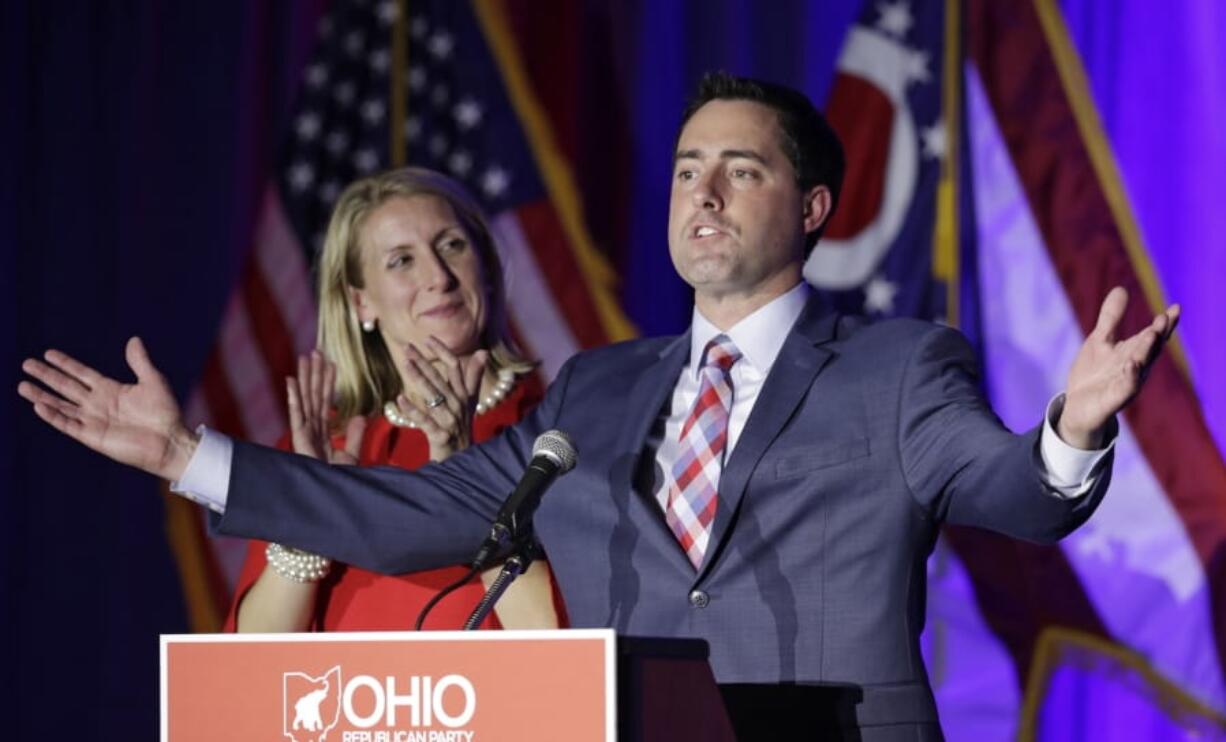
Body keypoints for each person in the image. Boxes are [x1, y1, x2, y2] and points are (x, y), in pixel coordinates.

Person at [19, 73, 1179, 740]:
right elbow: (418, 507)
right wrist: (189, 453)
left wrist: (1071, 429)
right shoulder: (598, 388)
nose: (702, 191)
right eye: (683, 168)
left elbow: (1016, 496)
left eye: (741, 169)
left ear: (815, 206)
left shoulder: (894, 366)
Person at [238, 167, 563, 632]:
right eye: (401, 261)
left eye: (452, 245)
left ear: (487, 268)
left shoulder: (557, 436)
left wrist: (462, 471)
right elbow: (248, 669)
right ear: (360, 303)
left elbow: (568, 647)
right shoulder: (321, 449)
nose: (438, 277)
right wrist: (308, 523)